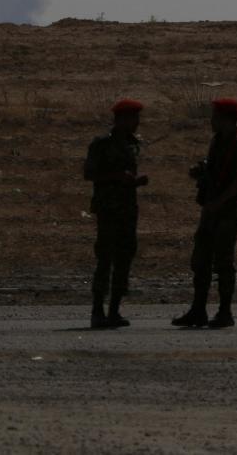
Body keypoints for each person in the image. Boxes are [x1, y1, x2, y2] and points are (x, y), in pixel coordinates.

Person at [172, 97, 237, 329]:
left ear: (226, 119)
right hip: (211, 210)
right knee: (201, 262)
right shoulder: (217, 142)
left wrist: (219, 202)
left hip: (226, 211)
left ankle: (225, 311)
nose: (212, 121)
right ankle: (198, 310)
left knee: (224, 263)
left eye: (215, 117)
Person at [83, 98, 149, 329]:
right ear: (121, 119)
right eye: (133, 118)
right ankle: (97, 310)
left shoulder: (132, 144)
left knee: (124, 260)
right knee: (105, 260)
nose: (137, 123)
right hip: (109, 209)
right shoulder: (102, 144)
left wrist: (134, 182)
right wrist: (117, 177)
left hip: (127, 209)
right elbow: (89, 174)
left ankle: (114, 311)